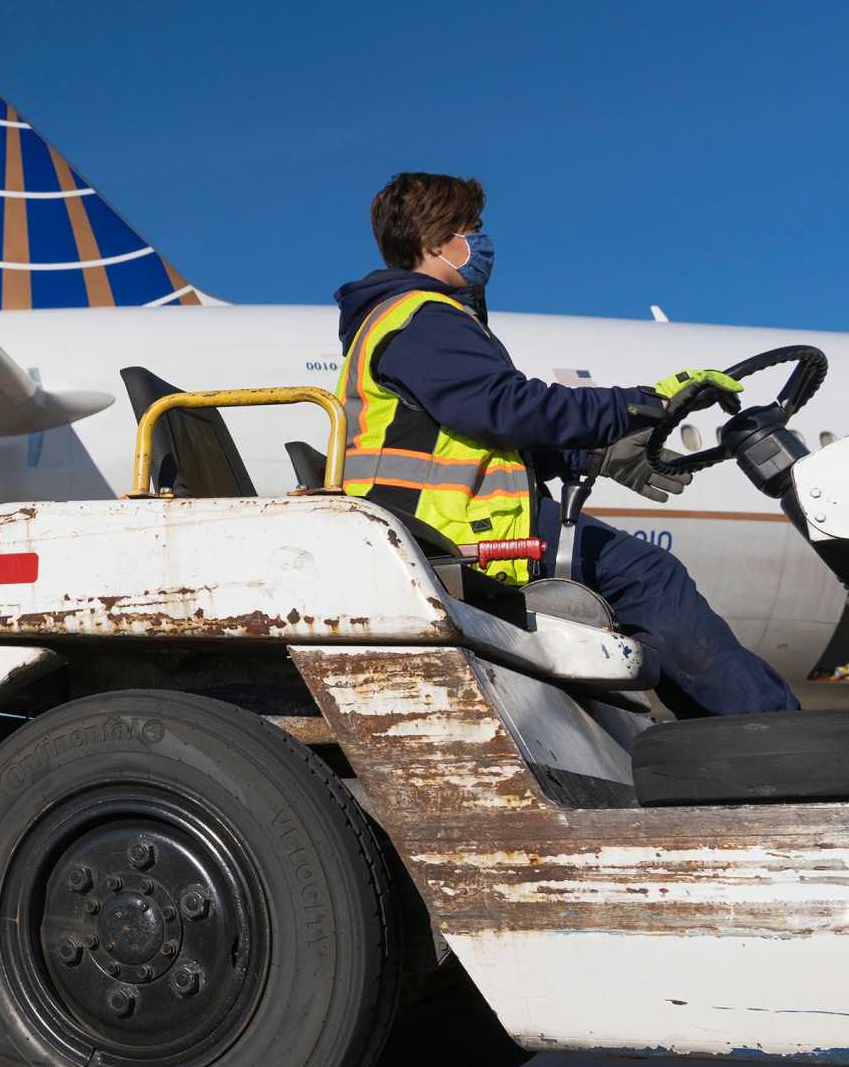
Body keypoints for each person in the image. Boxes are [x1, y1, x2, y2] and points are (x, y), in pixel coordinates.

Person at [334, 171, 798, 718]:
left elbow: (482, 435)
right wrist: (646, 404)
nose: (481, 242)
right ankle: (764, 733)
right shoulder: (422, 320)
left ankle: (719, 737)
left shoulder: (416, 320)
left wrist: (599, 454)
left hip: (450, 522)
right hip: (447, 531)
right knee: (650, 577)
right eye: (471, 228)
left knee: (639, 584)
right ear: (436, 242)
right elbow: (505, 406)